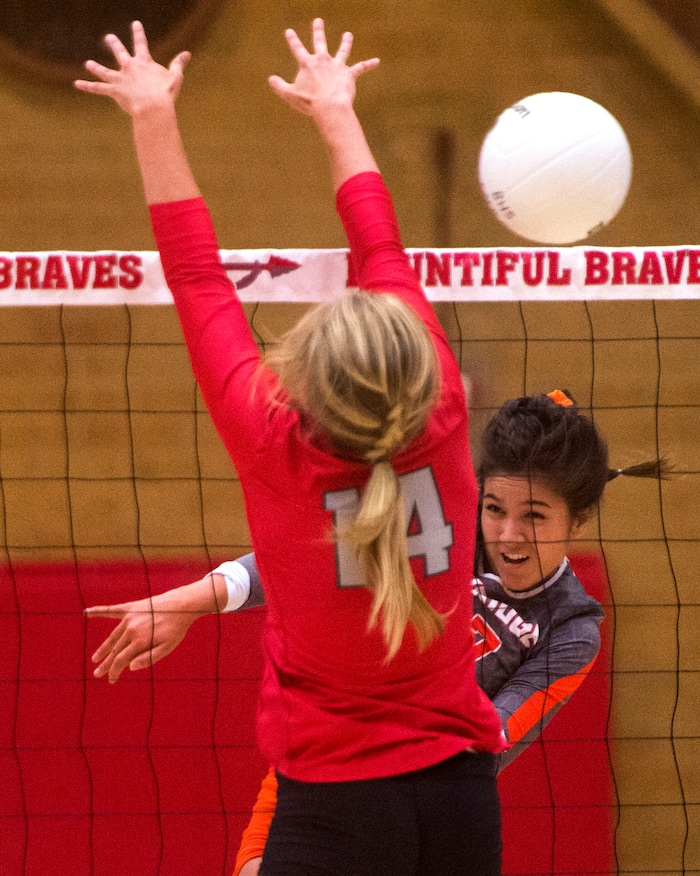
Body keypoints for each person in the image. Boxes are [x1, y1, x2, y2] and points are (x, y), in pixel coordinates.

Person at [77, 19, 506, 875]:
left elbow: (197, 275)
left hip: (337, 806)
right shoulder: (447, 410)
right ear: (416, 361)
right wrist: (337, 110)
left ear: (304, 381)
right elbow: (381, 249)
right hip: (463, 797)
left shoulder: (275, 442)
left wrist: (152, 114)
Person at [86, 388, 670, 876]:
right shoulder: (444, 525)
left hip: (430, 806)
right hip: (322, 762)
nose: (510, 534)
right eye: (495, 508)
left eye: (536, 517)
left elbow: (492, 736)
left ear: (580, 517)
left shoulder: (571, 629)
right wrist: (184, 603)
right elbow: (305, 559)